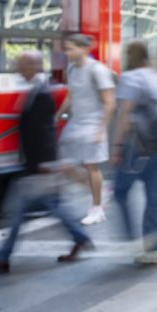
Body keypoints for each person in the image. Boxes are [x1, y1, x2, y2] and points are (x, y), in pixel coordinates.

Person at [0, 53, 93, 273]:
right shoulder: (35, 91)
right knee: (52, 207)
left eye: (23, 64)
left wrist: (45, 162)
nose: (19, 68)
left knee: (18, 212)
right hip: (36, 164)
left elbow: (44, 131)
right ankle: (80, 237)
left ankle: (3, 256)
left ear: (35, 66)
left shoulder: (41, 93)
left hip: (39, 165)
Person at [111, 40, 157, 265]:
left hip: (137, 145)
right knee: (156, 194)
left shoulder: (130, 78)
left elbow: (123, 115)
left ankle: (132, 240)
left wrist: (117, 146)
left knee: (120, 191)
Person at [57, 33, 115, 225]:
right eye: (66, 49)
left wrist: (101, 130)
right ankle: (102, 191)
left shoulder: (97, 70)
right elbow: (71, 95)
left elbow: (109, 102)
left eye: (71, 48)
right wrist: (57, 115)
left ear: (83, 49)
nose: (67, 52)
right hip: (77, 122)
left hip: (93, 122)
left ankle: (97, 208)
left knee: (91, 165)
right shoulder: (72, 68)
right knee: (65, 163)